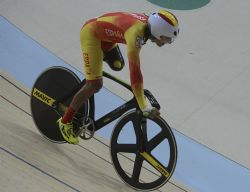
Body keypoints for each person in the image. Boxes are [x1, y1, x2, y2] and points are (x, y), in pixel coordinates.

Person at [57, 10, 180, 144]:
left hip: (106, 37)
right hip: (91, 35)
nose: (167, 42)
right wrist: (144, 106)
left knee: (117, 65)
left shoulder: (148, 26)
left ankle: (94, 65)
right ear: (157, 30)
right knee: (95, 85)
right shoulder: (136, 33)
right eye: (166, 38)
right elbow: (135, 72)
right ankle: (65, 122)